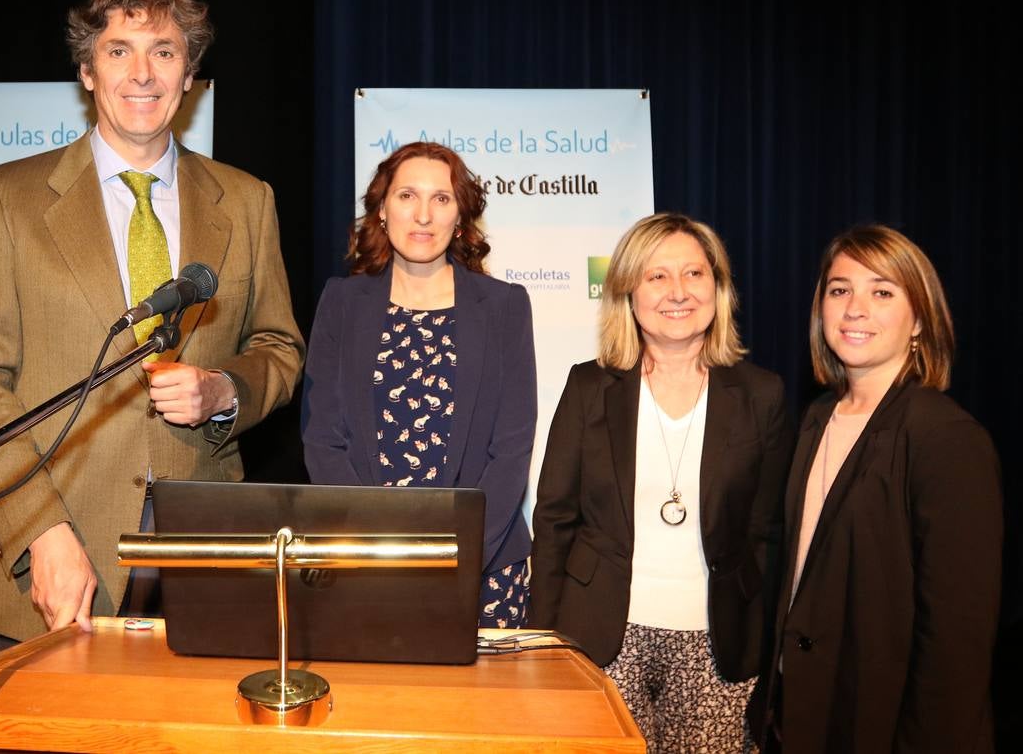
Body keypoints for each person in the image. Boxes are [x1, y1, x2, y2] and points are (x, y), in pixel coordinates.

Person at [0, 0, 304, 642]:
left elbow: (279, 348)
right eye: (118, 51)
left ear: (189, 74)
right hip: (55, 565)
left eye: (164, 52)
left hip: (205, 560)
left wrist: (225, 388)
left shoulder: (247, 200)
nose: (142, 73)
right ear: (86, 71)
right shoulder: (6, 197)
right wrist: (38, 532)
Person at [531, 212, 792, 751]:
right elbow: (554, 519)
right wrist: (544, 641)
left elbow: (767, 532)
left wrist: (761, 637)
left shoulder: (762, 394)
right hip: (602, 635)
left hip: (716, 642)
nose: (678, 292)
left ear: (718, 289)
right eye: (657, 276)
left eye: (694, 274)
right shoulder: (588, 385)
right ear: (628, 292)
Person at [755, 225, 1001, 753]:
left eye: (882, 291)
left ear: (919, 320)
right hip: (806, 717)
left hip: (887, 729)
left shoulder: (947, 439)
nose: (854, 308)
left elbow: (957, 640)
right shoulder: (818, 418)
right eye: (839, 289)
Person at [301, 141, 536, 628]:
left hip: (482, 568)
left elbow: (511, 449)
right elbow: (323, 440)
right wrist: (378, 550)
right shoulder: (341, 303)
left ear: (460, 216)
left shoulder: (505, 307)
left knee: (477, 707)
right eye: (408, 196)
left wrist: (460, 556)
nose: (424, 215)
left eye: (442, 199)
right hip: (363, 563)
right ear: (382, 210)